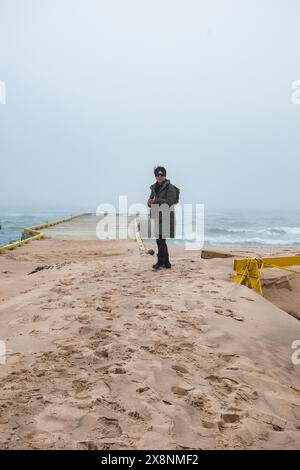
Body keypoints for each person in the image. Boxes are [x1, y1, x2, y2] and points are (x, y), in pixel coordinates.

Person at [147, 166, 178, 270]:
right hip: (156, 216)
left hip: (166, 216)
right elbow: (151, 201)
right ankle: (166, 263)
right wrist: (149, 202)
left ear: (165, 175)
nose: (159, 176)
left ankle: (161, 262)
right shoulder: (154, 187)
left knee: (161, 240)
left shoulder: (170, 187)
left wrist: (156, 200)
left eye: (161, 174)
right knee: (159, 241)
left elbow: (170, 201)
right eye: (157, 174)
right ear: (155, 176)